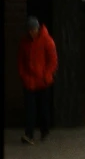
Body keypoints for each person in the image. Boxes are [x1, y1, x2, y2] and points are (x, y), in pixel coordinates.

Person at [18, 16, 58, 145]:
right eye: (29, 30)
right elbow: (21, 62)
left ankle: (44, 130)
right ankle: (29, 134)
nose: (31, 32)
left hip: (42, 81)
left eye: (33, 30)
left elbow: (53, 61)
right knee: (30, 109)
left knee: (43, 108)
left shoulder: (47, 41)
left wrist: (46, 76)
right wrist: (24, 76)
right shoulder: (24, 42)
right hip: (30, 81)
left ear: (37, 28)